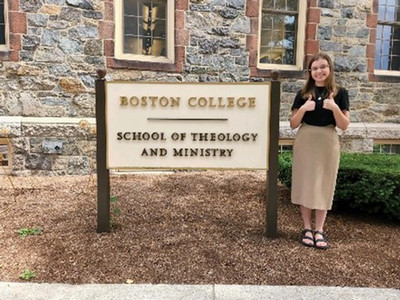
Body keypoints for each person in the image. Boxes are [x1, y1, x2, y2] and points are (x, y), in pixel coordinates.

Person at [290, 52, 350, 250]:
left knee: (325, 183)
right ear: (310, 72)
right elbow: (293, 124)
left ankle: (320, 230)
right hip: (306, 139)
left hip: (327, 140)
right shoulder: (303, 93)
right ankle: (306, 228)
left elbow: (344, 125)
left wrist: (334, 108)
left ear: (330, 69)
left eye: (323, 67)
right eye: (315, 68)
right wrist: (304, 109)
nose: (319, 71)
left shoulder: (340, 93)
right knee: (305, 182)